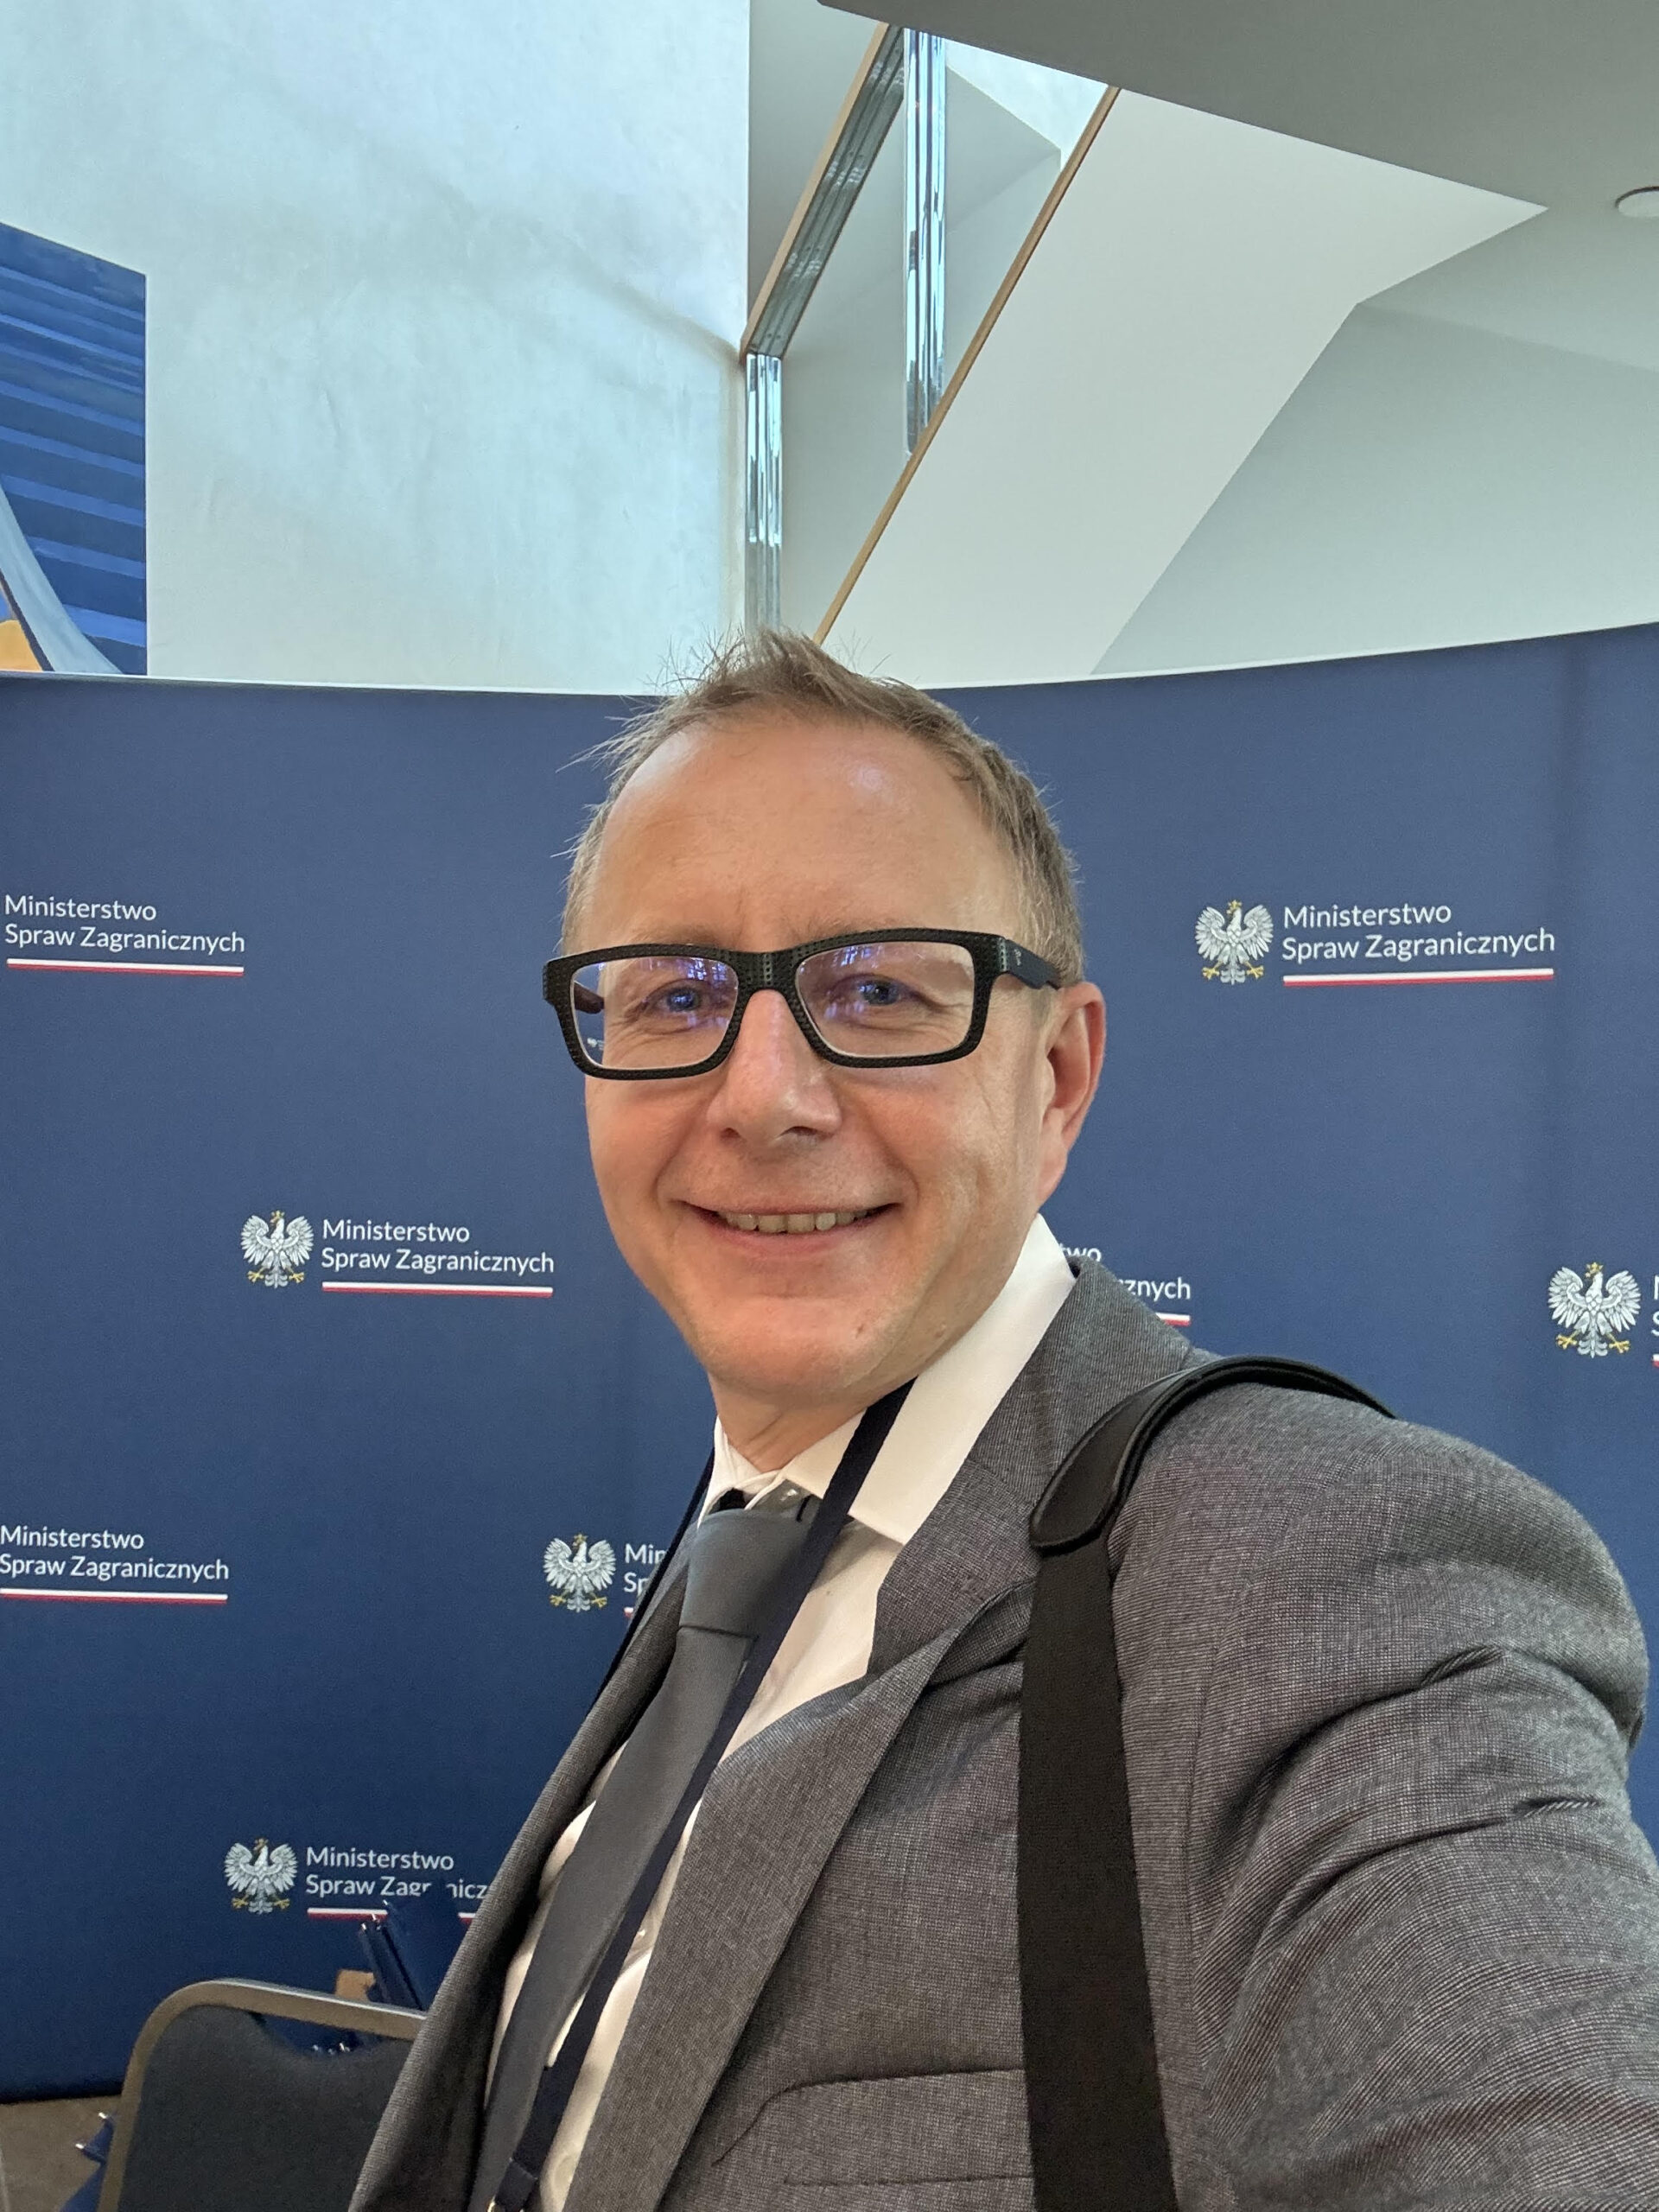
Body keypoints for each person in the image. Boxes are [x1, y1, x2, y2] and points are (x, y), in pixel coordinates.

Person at [353, 632, 1659, 2212]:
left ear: (1057, 1078)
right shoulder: (749, 1529)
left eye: (877, 990)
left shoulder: (1329, 1578)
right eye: (676, 994)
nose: (761, 1097)